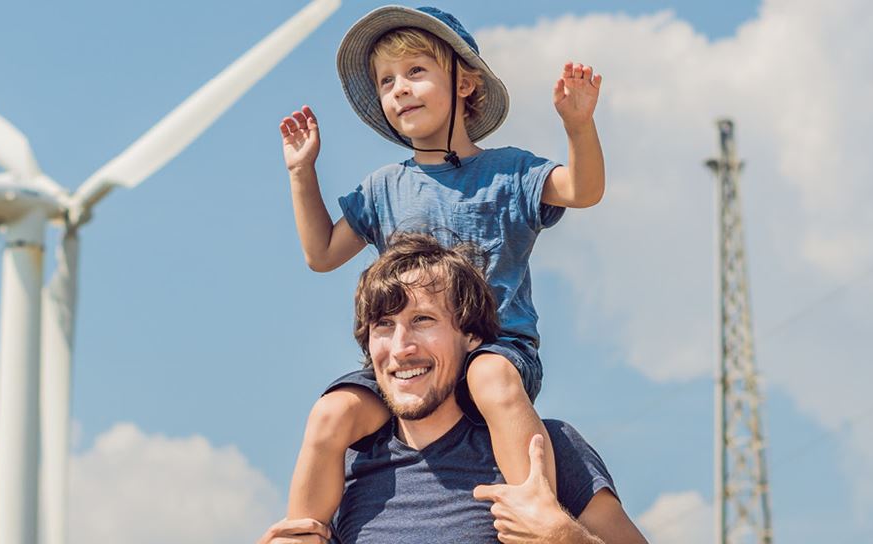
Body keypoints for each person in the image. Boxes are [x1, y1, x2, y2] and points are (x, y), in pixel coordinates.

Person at [279, 5, 606, 524]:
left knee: (493, 379)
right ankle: (300, 532)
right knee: (330, 412)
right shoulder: (383, 186)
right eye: (386, 82)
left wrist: (579, 127)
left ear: (465, 84)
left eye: (415, 72)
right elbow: (321, 254)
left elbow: (583, 191)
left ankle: (534, 505)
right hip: (409, 361)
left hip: (495, 347)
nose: (399, 89)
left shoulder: (509, 171)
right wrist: (302, 173)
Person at [258, 233, 644, 543]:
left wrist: (566, 539)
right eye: (384, 326)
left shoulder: (548, 448)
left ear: (472, 336)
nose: (401, 347)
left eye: (423, 320)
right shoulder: (345, 472)